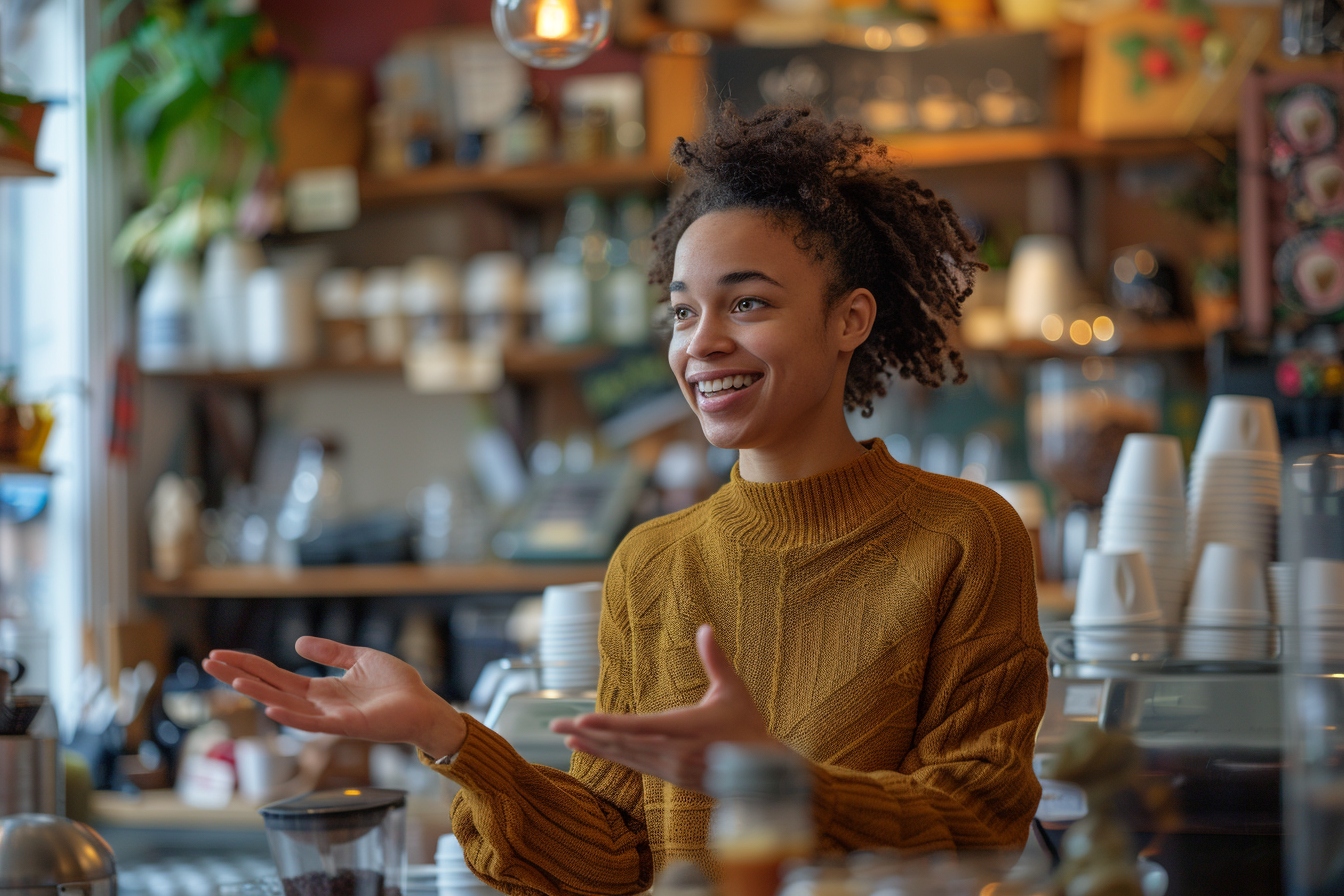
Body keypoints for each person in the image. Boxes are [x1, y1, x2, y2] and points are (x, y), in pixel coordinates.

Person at [205, 104, 1048, 896]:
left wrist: (776, 780)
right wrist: (447, 734)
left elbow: (982, 822)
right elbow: (611, 856)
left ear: (849, 320)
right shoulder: (653, 563)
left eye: (748, 303)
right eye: (682, 313)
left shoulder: (965, 537)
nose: (702, 343)